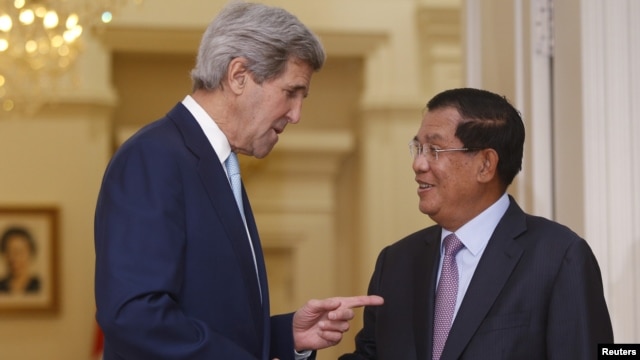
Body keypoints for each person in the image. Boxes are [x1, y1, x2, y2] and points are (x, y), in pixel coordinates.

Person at [93, 2, 383, 360]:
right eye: (291, 92)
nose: (296, 115)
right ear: (238, 75)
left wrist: (285, 335)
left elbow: (209, 317)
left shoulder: (216, 163)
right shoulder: (153, 158)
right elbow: (135, 316)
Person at [339, 88, 613, 360]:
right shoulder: (396, 262)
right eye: (418, 148)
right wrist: (299, 348)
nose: (418, 163)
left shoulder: (558, 257)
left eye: (434, 149)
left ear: (485, 164)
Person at [0, 226, 41, 294]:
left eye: (19, 252)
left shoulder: (38, 285)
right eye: (9, 251)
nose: (14, 258)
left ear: (31, 254)